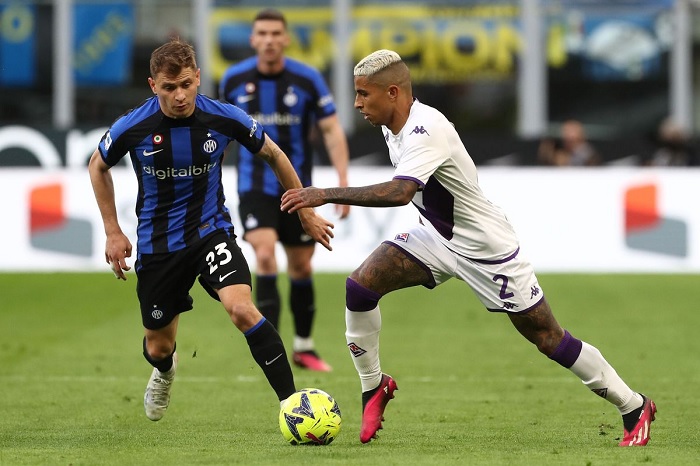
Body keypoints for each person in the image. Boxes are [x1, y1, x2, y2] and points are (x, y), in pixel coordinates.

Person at [281, 49, 655, 446]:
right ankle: (373, 387)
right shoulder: (392, 123)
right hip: (437, 237)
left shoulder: (426, 128)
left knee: (548, 338)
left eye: (363, 94)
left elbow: (399, 192)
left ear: (393, 93)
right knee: (360, 286)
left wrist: (324, 193)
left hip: (487, 249)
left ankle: (633, 405)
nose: (357, 103)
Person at [88, 38, 334, 422]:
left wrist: (304, 212)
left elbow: (274, 154)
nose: (180, 95)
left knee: (242, 309)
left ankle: (292, 404)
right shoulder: (134, 126)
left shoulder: (223, 117)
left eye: (186, 84)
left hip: (210, 231)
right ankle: (165, 370)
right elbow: (97, 165)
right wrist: (113, 231)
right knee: (158, 346)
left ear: (198, 78)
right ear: (153, 86)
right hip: (158, 244)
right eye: (169, 87)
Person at [219, 8, 350, 372]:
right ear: (253, 39)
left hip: (298, 191)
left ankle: (304, 346)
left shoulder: (307, 79)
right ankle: (271, 349)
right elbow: (218, 131)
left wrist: (342, 180)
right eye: (262, 33)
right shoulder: (233, 79)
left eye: (276, 33)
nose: (269, 40)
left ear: (286, 39)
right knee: (264, 255)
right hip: (253, 187)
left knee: (301, 266)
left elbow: (331, 129)